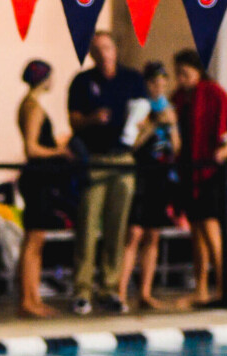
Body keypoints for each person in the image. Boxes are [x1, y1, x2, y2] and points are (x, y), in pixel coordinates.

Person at [67, 32, 145, 315]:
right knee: (88, 225)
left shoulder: (131, 79)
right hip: (95, 159)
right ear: (91, 53)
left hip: (122, 159)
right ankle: (82, 289)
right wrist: (92, 118)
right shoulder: (82, 81)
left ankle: (110, 288)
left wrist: (136, 139)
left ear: (115, 49)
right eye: (97, 49)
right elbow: (74, 121)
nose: (103, 53)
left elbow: (144, 116)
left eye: (107, 47)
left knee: (117, 226)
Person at [171, 49, 227, 308]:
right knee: (197, 232)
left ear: (197, 71)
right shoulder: (179, 98)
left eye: (185, 73)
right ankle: (201, 289)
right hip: (189, 171)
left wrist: (225, 151)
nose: (181, 79)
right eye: (178, 74)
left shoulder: (213, 92)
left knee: (211, 229)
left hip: (210, 171)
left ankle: (223, 289)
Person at [16, 60, 76, 318]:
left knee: (36, 241)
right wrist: (60, 151)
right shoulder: (33, 107)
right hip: (37, 179)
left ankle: (33, 298)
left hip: (39, 179)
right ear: (44, 78)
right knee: (34, 241)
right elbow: (31, 148)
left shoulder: (29, 105)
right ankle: (28, 300)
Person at [119, 62, 179, 311]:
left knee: (153, 234)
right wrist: (153, 123)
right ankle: (120, 293)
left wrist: (171, 125)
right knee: (134, 233)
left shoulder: (169, 109)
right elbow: (131, 145)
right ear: (146, 84)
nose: (159, 86)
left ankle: (144, 292)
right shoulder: (139, 107)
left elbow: (176, 148)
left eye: (163, 82)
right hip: (141, 174)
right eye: (154, 82)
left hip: (160, 176)